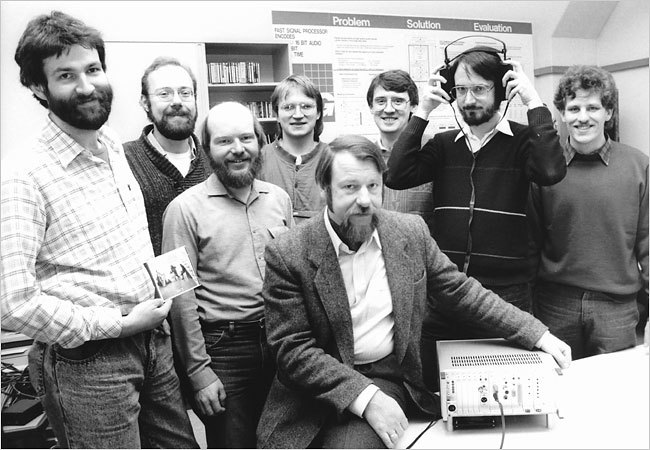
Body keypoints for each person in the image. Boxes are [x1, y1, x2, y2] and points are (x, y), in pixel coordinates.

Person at [256, 135, 571, 449]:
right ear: (324, 188)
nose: (364, 200)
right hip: (308, 392)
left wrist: (537, 334)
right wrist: (365, 397)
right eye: (350, 187)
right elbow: (292, 350)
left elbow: (460, 291)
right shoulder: (289, 252)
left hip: (383, 376)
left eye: (373, 186)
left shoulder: (409, 232)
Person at [1, 11, 197, 448]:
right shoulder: (23, 174)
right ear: (38, 87)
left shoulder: (112, 146)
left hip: (153, 341)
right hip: (88, 362)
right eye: (66, 75)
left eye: (92, 69)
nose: (87, 86)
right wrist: (118, 324)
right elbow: (12, 302)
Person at [385, 45, 566, 390]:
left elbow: (551, 171)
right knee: (435, 392)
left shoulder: (523, 141)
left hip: (507, 296)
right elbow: (395, 174)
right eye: (461, 89)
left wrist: (533, 101)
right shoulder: (443, 145)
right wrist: (423, 110)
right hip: (446, 294)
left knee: (506, 396)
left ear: (502, 90)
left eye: (480, 88)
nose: (468, 99)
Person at [162, 101, 294, 448]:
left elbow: (295, 280)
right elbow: (177, 298)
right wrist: (198, 372)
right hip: (224, 351)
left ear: (260, 142)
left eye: (246, 138)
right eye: (224, 141)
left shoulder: (279, 200)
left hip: (280, 343)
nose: (238, 149)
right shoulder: (182, 210)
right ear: (206, 149)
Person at [530, 65, 648, 360]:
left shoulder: (638, 166)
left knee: (614, 386)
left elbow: (648, 244)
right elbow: (530, 241)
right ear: (562, 113)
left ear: (609, 113)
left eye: (593, 108)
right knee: (557, 384)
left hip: (617, 309)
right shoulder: (544, 168)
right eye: (574, 108)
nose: (582, 117)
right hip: (555, 304)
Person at [123, 57, 211, 256]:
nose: (177, 101)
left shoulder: (215, 160)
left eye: (185, 93)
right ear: (145, 102)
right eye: (164, 94)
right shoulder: (122, 162)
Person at [366, 70, 434, 225]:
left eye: (398, 101)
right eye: (381, 101)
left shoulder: (433, 151)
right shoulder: (364, 157)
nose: (389, 109)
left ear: (414, 106)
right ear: (371, 107)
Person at [259, 74, 328, 223]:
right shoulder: (258, 160)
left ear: (318, 113)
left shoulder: (334, 158)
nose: (298, 115)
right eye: (288, 107)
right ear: (276, 115)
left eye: (306, 106)